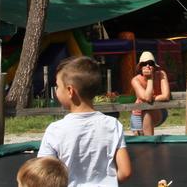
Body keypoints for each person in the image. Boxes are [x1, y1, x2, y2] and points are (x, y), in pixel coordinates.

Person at [38, 56, 131, 185]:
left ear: (70, 91)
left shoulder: (55, 130)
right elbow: (125, 172)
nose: (57, 91)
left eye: (58, 86)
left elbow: (44, 174)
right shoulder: (113, 124)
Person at [129, 52, 170, 136]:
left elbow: (166, 96)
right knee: (139, 143)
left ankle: (150, 146)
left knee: (147, 111)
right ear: (140, 67)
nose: (147, 66)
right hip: (137, 113)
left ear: (154, 66)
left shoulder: (161, 74)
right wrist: (150, 79)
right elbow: (147, 98)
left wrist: (150, 78)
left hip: (158, 110)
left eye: (150, 63)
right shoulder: (135, 80)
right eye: (144, 64)